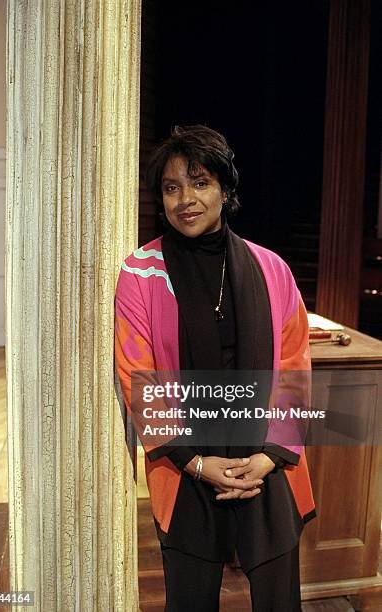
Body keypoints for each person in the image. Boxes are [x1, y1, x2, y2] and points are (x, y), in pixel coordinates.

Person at [114, 125, 315, 611]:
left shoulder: (272, 269)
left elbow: (294, 365)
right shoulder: (140, 273)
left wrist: (269, 455)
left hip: (264, 466)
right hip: (187, 469)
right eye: (171, 187)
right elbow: (137, 377)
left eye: (200, 182)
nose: (185, 198)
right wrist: (198, 462)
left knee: (278, 600)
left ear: (225, 189)